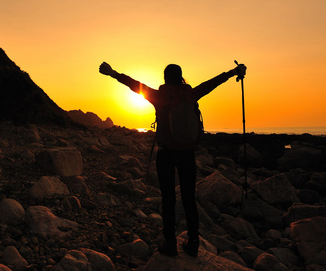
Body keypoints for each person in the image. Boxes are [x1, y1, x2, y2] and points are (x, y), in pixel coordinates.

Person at [99, 62, 246, 257]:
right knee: (189, 199)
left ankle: (170, 243)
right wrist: (234, 72)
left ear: (165, 78)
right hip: (187, 153)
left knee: (168, 199)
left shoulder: (159, 96)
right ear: (181, 77)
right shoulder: (191, 94)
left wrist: (112, 73)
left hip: (166, 153)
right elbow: (213, 83)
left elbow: (134, 85)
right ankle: (193, 242)